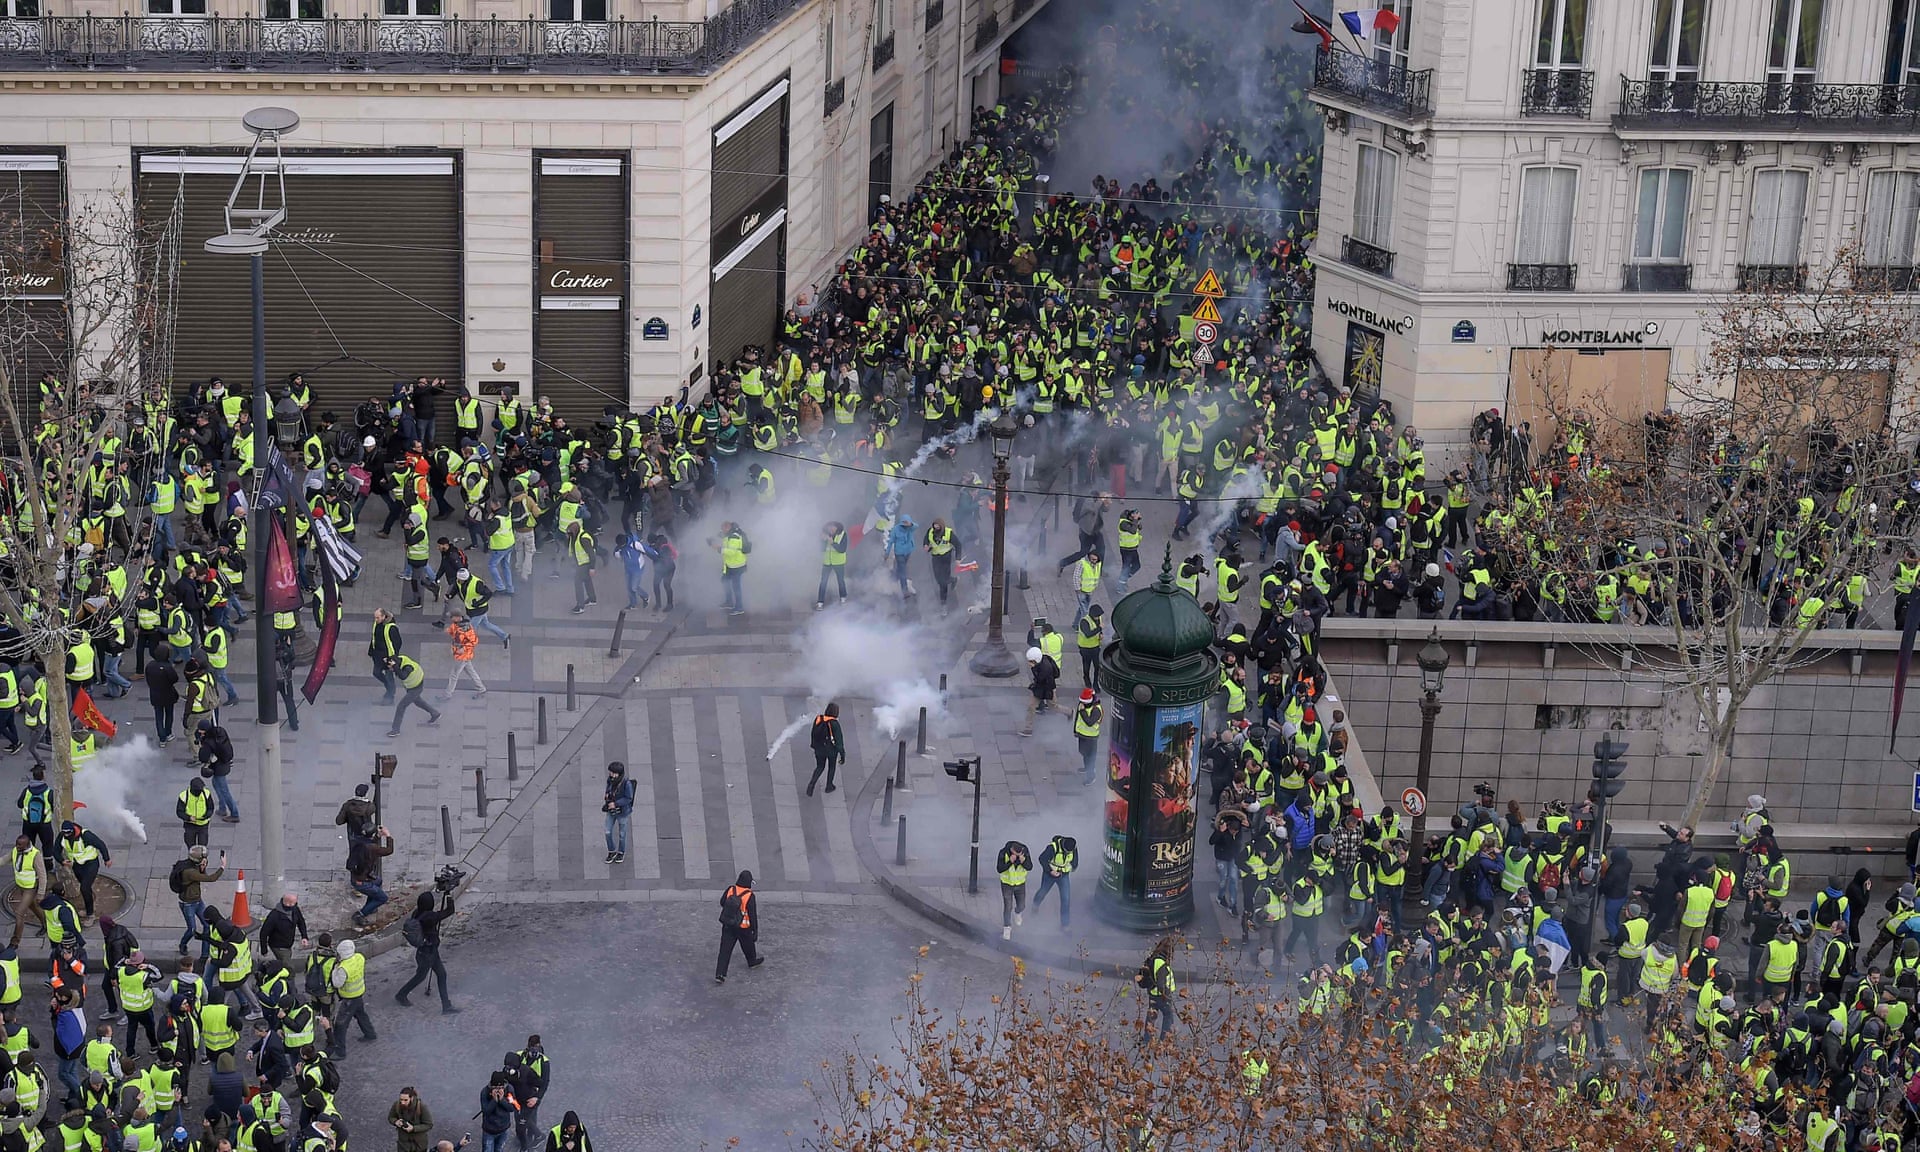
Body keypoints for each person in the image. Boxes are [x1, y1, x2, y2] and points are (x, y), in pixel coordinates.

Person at [394, 891, 458, 1014]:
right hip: (429, 952)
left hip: (425, 951)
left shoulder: (417, 913)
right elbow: (449, 911)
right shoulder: (430, 917)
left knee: (436, 975)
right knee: (425, 976)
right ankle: (401, 995)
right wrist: (449, 895)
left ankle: (446, 1006)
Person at [327, 939, 375, 1057]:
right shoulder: (359, 957)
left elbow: (337, 983)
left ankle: (340, 1052)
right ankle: (370, 1033)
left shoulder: (343, 968)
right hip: (358, 993)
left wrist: (335, 970)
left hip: (349, 998)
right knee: (361, 1014)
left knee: (340, 1025)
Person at [173, 846, 223, 959]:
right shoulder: (190, 872)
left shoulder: (191, 866)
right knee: (192, 929)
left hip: (197, 900)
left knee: (207, 925)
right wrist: (222, 867)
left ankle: (205, 954)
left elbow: (202, 875)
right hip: (188, 904)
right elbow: (210, 878)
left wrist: (203, 867)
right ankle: (183, 944)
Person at [715, 870, 762, 983]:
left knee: (724, 950)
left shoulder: (731, 889)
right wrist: (755, 931)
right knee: (748, 946)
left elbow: (722, 902)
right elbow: (752, 915)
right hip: (743, 927)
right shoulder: (749, 896)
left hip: (728, 925)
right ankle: (752, 962)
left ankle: (720, 974)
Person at [58, 821, 110, 919]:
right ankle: (90, 903)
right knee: (86, 887)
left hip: (91, 864)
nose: (66, 835)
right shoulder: (62, 836)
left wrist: (106, 859)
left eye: (68, 833)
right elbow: (56, 850)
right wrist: (62, 861)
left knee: (84, 888)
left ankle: (90, 914)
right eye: (64, 833)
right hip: (77, 865)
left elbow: (100, 844)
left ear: (73, 830)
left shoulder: (86, 835)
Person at [505, 1037, 549, 1152]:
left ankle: (530, 1140)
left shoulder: (544, 1062)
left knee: (529, 1118)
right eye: (532, 1049)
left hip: (532, 1096)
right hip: (517, 1095)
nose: (535, 1052)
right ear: (528, 1047)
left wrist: (537, 1098)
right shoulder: (519, 1055)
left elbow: (544, 1083)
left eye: (537, 1049)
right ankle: (522, 1136)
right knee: (519, 1117)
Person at [193, 721, 239, 823]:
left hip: (218, 767)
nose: (198, 731)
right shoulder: (219, 731)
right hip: (225, 762)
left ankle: (234, 814)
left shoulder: (208, 742)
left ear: (204, 731)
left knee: (224, 790)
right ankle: (222, 808)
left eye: (200, 730)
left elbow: (203, 758)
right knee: (216, 784)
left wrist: (202, 745)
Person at [387, 655, 443, 738]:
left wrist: (394, 666)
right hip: (413, 685)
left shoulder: (408, 667)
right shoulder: (400, 659)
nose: (390, 669)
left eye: (391, 667)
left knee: (401, 706)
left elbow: (403, 676)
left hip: (415, 687)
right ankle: (435, 713)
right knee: (417, 701)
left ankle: (395, 730)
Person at [6, 834, 42, 950]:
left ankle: (14, 942)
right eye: (16, 843)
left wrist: (40, 893)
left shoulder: (35, 855)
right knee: (34, 907)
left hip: (30, 889)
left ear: (27, 845)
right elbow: (3, 860)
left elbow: (43, 875)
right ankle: (46, 924)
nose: (16, 846)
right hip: (21, 886)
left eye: (19, 845)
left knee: (19, 913)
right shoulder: (15, 851)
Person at [1033, 835, 1078, 928]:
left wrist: (1072, 867)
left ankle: (1065, 925)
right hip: (1049, 874)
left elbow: (1075, 862)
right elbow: (1042, 859)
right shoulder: (1053, 847)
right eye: (1067, 851)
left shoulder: (1073, 847)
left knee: (1066, 899)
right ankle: (1035, 906)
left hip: (1063, 875)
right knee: (1043, 892)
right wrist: (1050, 871)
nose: (1068, 853)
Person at [1139, 937, 1176, 1044]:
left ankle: (1147, 1040)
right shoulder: (1162, 963)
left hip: (1152, 994)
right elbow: (1161, 983)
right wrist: (1166, 994)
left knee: (1151, 1017)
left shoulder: (1154, 958)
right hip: (1162, 996)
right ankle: (1164, 1041)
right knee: (1168, 1016)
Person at [261, 894, 310, 970]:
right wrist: (264, 950)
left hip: (288, 943)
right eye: (294, 903)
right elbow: (264, 933)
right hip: (279, 946)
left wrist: (304, 936)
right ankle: (289, 979)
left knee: (285, 960)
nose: (296, 904)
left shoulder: (295, 909)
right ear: (288, 904)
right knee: (289, 968)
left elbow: (301, 922)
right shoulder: (274, 916)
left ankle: (280, 967)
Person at [805, 703, 845, 796]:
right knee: (832, 767)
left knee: (820, 767)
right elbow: (839, 741)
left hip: (819, 749)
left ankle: (812, 784)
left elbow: (813, 733)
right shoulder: (835, 724)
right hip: (831, 751)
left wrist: (814, 746)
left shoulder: (819, 719)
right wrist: (842, 755)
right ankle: (829, 786)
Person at [442, 615, 485, 699]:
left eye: (453, 617)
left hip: (462, 656)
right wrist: (448, 631)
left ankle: (447, 694)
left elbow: (474, 642)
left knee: (454, 675)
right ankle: (481, 688)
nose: (451, 619)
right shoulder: (456, 625)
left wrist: (463, 648)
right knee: (471, 671)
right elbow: (453, 631)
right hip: (461, 655)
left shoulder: (468, 630)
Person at [996, 840, 1031, 942]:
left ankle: (1017, 913)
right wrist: (1009, 862)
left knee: (1022, 905)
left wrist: (1024, 861)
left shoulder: (1025, 852)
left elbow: (1030, 867)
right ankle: (1007, 928)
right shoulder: (1003, 853)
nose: (1017, 856)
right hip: (1007, 884)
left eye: (1019, 854)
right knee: (1008, 906)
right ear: (1011, 850)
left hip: (1020, 884)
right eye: (1016, 854)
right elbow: (999, 869)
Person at [1019, 647, 1057, 737]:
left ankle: (1069, 712)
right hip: (1039, 689)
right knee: (1031, 707)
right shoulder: (1038, 664)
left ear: (1036, 660)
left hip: (1047, 689)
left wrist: (1034, 686)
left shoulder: (1045, 669)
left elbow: (1043, 681)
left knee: (1054, 707)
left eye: (1030, 662)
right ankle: (1028, 729)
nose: (1028, 664)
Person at [601, 762, 634, 865]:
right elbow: (608, 789)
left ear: (618, 774)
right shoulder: (610, 780)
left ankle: (621, 852)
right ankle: (611, 851)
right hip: (611, 810)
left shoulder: (626, 783)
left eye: (613, 773)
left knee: (622, 834)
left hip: (622, 811)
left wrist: (616, 803)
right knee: (607, 831)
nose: (611, 774)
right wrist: (607, 795)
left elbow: (629, 798)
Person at [477, 1076, 518, 1152]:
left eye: (500, 1087)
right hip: (489, 1130)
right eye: (495, 1087)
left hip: (503, 1128)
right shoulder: (485, 1092)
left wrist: (502, 1100)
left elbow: (512, 1108)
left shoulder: (509, 1090)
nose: (498, 1090)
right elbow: (486, 1112)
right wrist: (494, 1100)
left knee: (499, 1149)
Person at [1073, 688, 1103, 785]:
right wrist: (1075, 731)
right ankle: (1087, 768)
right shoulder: (1082, 704)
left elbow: (1089, 722)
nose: (1082, 703)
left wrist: (1083, 711)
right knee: (1083, 752)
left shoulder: (1096, 710)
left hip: (1091, 737)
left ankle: (1091, 776)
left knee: (1090, 757)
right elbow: (1077, 718)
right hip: (1082, 735)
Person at [389, 1087, 433, 1152]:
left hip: (419, 1144)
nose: (402, 1102)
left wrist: (413, 1128)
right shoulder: (397, 1105)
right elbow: (391, 1117)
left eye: (405, 1100)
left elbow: (429, 1124)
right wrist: (396, 1122)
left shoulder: (422, 1107)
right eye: (401, 1099)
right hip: (403, 1143)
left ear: (411, 1098)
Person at [176, 779, 213, 850]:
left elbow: (211, 808)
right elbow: (179, 812)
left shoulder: (206, 793)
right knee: (191, 847)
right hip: (190, 825)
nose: (201, 791)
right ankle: (192, 859)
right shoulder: (183, 796)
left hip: (203, 824)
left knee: (202, 847)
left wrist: (206, 816)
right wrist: (189, 818)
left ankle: (202, 860)